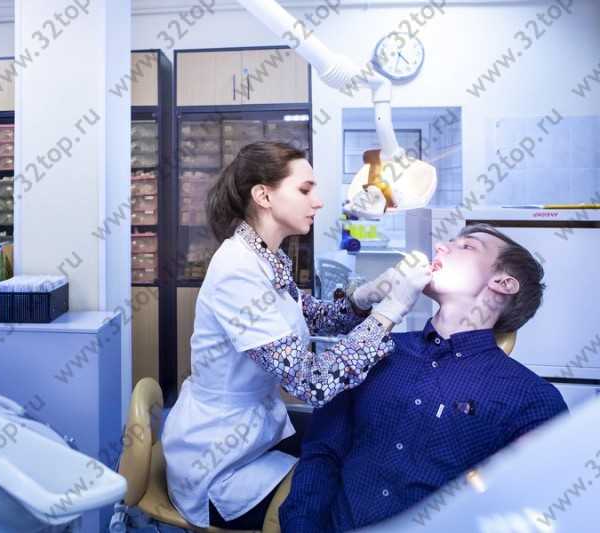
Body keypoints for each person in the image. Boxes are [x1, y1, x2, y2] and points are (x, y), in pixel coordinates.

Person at [161, 141, 432, 529]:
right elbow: (312, 383)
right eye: (305, 190)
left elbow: (309, 316)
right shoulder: (238, 271)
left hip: (252, 432)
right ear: (264, 195)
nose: (318, 202)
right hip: (218, 459)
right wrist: (389, 313)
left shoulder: (268, 256)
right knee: (333, 495)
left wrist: (365, 298)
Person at [279, 223, 569, 532]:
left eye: (467, 246)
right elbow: (322, 455)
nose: (441, 247)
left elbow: (533, 508)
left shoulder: (533, 400)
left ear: (503, 283)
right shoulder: (371, 353)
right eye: (449, 242)